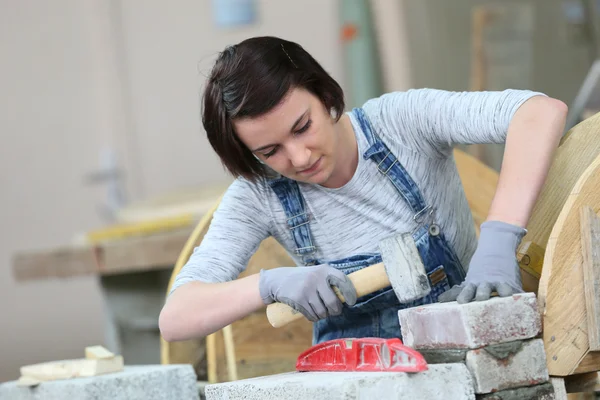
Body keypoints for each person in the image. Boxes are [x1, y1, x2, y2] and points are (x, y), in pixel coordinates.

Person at [158, 36, 567, 345]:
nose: (299, 158)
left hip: (462, 357)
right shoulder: (258, 196)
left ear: (325, 95)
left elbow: (539, 113)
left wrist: (498, 240)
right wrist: (268, 285)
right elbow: (176, 318)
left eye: (303, 127)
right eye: (269, 151)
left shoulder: (402, 123)